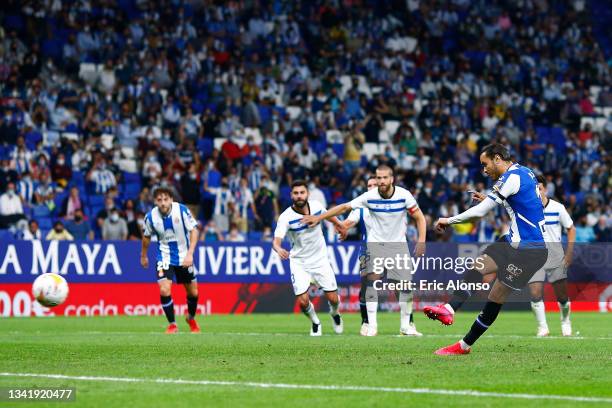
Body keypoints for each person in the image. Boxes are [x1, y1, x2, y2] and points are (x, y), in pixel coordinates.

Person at [426, 143, 548, 355]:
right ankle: (448, 309)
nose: (484, 170)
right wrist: (491, 199)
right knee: (477, 267)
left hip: (530, 251)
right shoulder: (524, 171)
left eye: (485, 164)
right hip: (513, 241)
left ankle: (463, 346)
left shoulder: (511, 177)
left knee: (495, 296)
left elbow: (479, 213)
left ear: (498, 158)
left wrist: (448, 220)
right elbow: (522, 202)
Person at [302, 165, 427, 336]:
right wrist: (319, 218)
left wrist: (421, 240)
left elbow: (419, 217)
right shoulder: (369, 197)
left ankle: (406, 326)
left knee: (404, 287)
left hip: (398, 246)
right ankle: (371, 325)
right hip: (375, 246)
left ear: (391, 179)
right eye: (379, 178)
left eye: (384, 178)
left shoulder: (404, 195)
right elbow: (345, 208)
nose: (381, 181)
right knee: (371, 283)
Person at [341, 176, 423, 336]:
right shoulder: (362, 206)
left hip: (395, 248)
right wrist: (341, 226)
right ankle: (367, 322)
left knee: (401, 286)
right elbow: (348, 222)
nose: (373, 187)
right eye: (369, 185)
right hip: (369, 250)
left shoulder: (397, 201)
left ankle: (409, 323)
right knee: (367, 285)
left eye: (375, 184)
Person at [273, 180, 347, 336]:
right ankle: (315, 322)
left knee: (334, 299)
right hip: (299, 262)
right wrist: (279, 248)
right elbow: (276, 242)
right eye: (296, 193)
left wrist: (340, 226)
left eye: (302, 192)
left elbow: (331, 218)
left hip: (320, 260)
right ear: (291, 195)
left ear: (307, 194)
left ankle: (334, 314)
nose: (299, 196)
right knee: (302, 301)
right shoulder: (286, 217)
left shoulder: (317, 207)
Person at [141, 186, 200, 334]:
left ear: (171, 200)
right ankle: (172, 324)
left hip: (184, 256)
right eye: (159, 200)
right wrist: (143, 255)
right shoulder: (150, 217)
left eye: (166, 199)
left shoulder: (182, 210)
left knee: (193, 293)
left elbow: (194, 230)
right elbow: (146, 236)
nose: (163, 203)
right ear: (155, 201)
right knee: (164, 289)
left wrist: (190, 254)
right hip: (164, 257)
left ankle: (190, 318)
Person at [527, 175, 575, 337]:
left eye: (540, 188)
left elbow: (571, 228)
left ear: (546, 190)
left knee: (562, 296)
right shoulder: (528, 209)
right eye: (535, 189)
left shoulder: (558, 208)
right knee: (534, 293)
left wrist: (569, 252)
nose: (537, 192)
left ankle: (565, 321)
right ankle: (543, 327)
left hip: (555, 255)